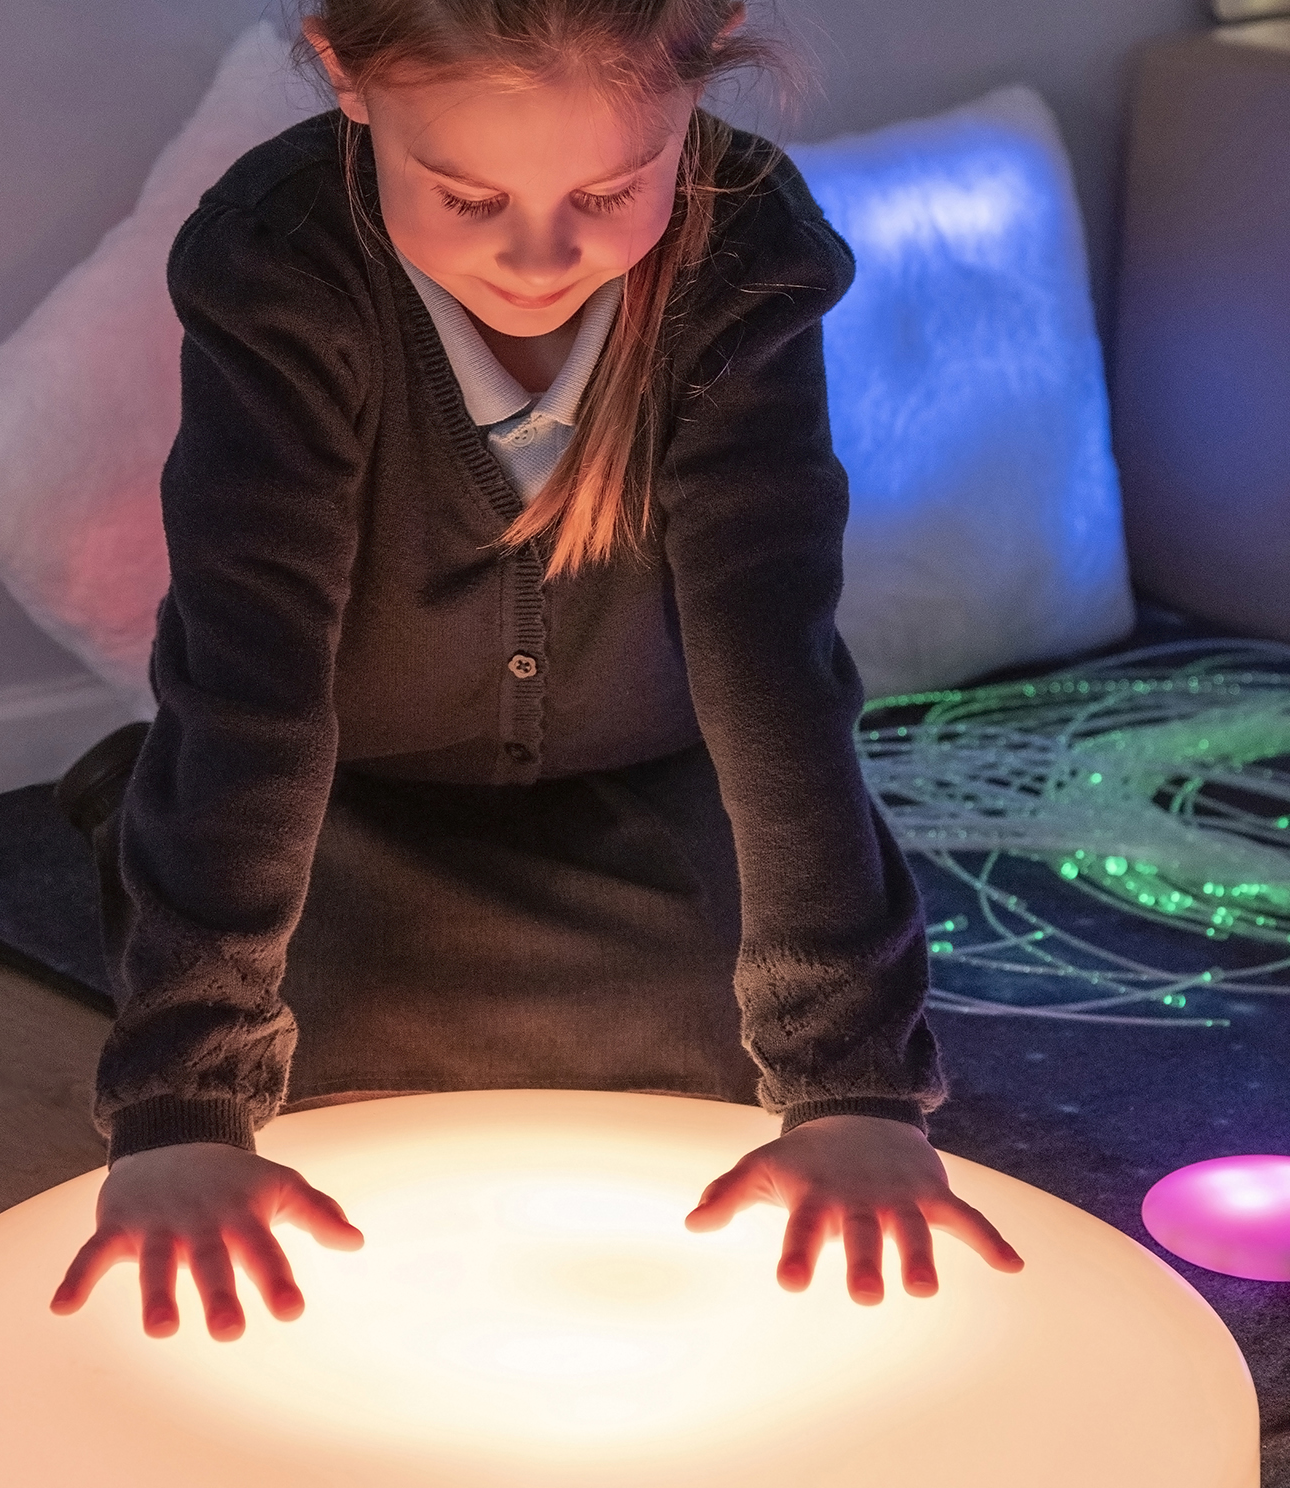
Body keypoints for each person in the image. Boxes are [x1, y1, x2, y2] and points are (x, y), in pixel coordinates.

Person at [52, 0, 1024, 1342]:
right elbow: (250, 685)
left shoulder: (746, 245)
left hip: (643, 779)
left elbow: (776, 669)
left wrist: (853, 1086)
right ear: (345, 75)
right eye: (465, 196)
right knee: (336, 1062)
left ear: (703, 70)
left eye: (611, 191)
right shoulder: (281, 257)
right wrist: (184, 1101)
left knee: (703, 1058)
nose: (538, 257)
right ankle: (137, 806)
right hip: (357, 794)